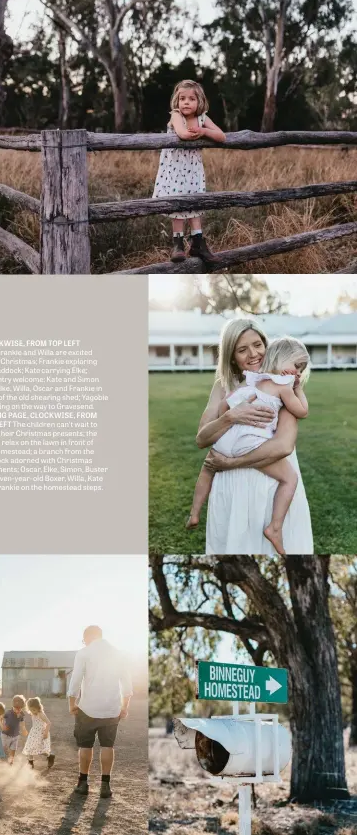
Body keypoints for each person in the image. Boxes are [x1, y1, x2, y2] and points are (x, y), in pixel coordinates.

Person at [196, 318, 314, 554]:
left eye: (258, 344)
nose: (254, 354)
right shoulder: (224, 386)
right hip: (231, 487)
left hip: (271, 482)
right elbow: (202, 439)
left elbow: (283, 446)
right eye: (242, 349)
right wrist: (230, 417)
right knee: (234, 546)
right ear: (231, 355)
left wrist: (230, 462)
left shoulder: (281, 384)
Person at [152, 80, 226, 264]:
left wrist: (204, 131)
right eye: (182, 98)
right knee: (178, 204)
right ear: (176, 101)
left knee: (195, 203)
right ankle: (177, 244)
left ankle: (198, 243)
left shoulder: (202, 119)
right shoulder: (176, 115)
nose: (186, 102)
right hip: (175, 169)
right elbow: (183, 134)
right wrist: (198, 133)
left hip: (193, 169)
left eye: (191, 99)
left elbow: (221, 136)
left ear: (199, 101)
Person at [67, 625, 132, 799]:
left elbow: (75, 680)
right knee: (107, 746)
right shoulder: (118, 653)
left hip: (88, 708)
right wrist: (125, 706)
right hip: (111, 709)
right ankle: (105, 786)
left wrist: (72, 703)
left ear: (87, 637)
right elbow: (127, 684)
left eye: (84, 640)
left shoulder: (84, 653)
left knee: (85, 746)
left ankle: (82, 783)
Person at [23, 696, 55, 771]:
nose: (33, 711)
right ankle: (30, 763)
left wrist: (46, 733)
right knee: (30, 747)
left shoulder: (41, 714)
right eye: (31, 710)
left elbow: (49, 723)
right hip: (33, 732)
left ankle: (50, 756)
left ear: (38, 707)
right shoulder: (32, 713)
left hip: (41, 733)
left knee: (42, 750)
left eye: (34, 709)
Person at [1, 694, 28, 765]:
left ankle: (10, 763)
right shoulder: (8, 713)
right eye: (16, 708)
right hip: (6, 735)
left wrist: (24, 730)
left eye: (20, 708)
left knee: (13, 750)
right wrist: (3, 726)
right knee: (3, 749)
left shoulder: (21, 714)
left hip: (16, 736)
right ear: (13, 706)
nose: (18, 710)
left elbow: (22, 723)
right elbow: (0, 718)